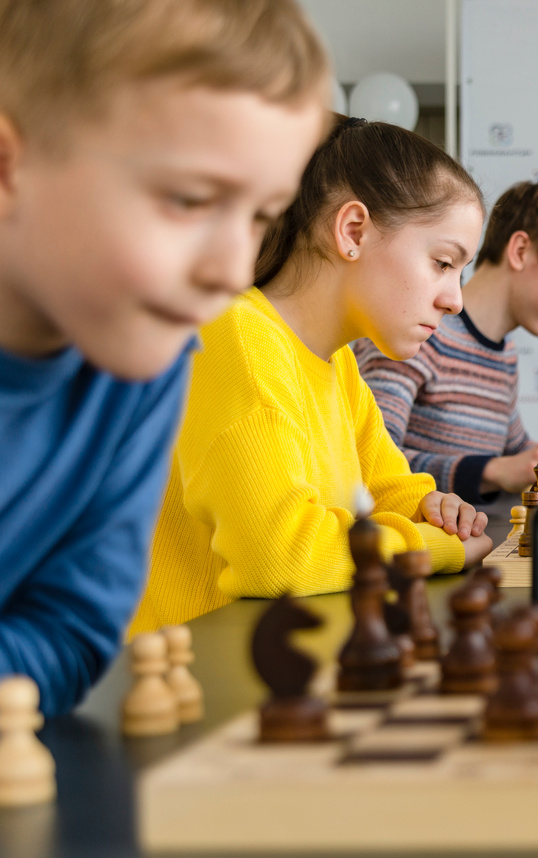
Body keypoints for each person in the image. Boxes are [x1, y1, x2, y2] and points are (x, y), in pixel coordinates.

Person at [0, 0, 326, 714]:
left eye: (262, 216)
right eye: (188, 200)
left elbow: (72, 630)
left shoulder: (147, 365)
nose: (231, 268)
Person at [133, 118, 492, 634]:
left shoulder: (338, 362)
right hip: (192, 684)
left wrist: (437, 510)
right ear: (353, 231)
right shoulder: (234, 336)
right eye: (442, 262)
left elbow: (395, 492)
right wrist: (438, 548)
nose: (455, 299)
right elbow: (279, 556)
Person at [357, 179, 538, 503]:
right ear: (520, 251)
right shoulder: (414, 333)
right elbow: (366, 464)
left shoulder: (503, 354)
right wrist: (491, 472)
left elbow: (517, 458)